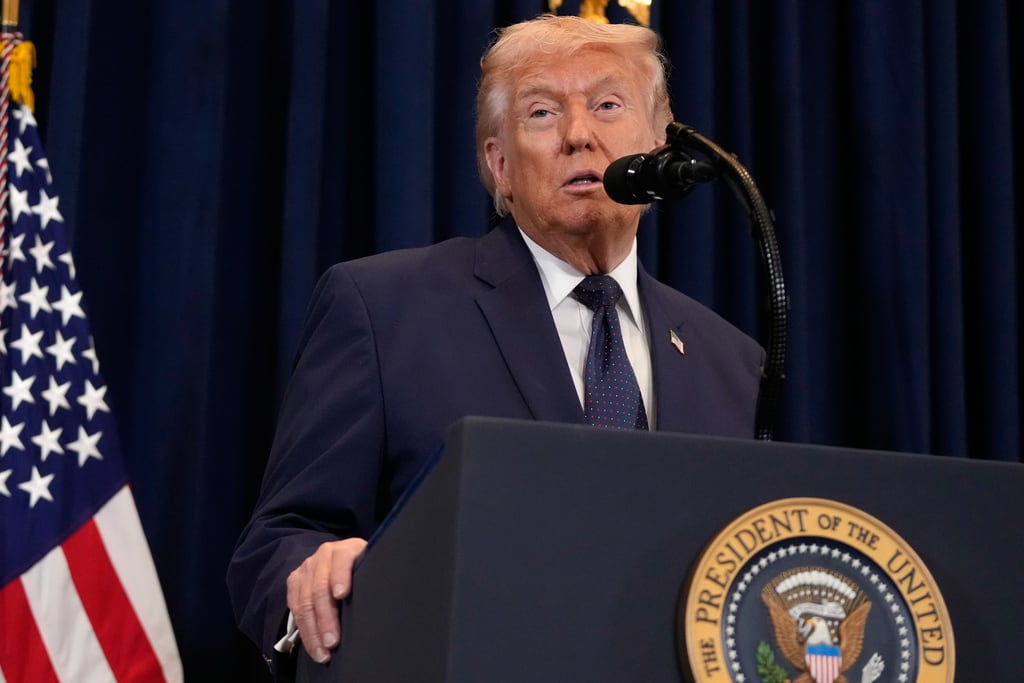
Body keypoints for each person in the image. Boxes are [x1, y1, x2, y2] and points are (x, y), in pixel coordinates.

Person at [227, 14, 763, 680]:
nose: (579, 135)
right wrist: (314, 576)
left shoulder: (730, 362)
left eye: (607, 105)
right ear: (499, 164)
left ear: (658, 144)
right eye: (542, 113)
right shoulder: (384, 309)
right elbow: (280, 539)